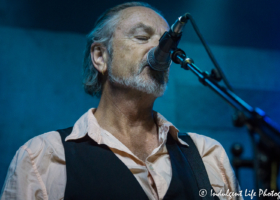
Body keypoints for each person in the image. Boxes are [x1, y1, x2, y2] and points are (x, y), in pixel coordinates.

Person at [1, 2, 241, 200]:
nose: (161, 49)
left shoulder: (207, 154)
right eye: (141, 36)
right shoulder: (42, 157)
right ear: (100, 57)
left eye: (167, 41)